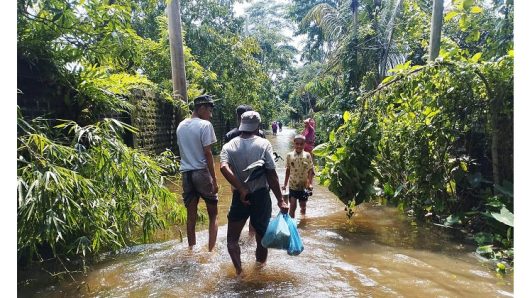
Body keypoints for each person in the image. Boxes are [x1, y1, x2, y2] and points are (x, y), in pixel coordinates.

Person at [220, 111, 289, 275]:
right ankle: (259, 272)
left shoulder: (229, 146)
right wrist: (281, 200)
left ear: (241, 124)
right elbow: (271, 174)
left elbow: (223, 167)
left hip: (239, 197)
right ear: (257, 125)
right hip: (261, 196)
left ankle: (239, 272)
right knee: (262, 238)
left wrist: (241, 188)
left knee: (232, 240)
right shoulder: (264, 144)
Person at [176, 94, 219, 252]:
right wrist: (214, 180)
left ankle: (191, 250)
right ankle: (211, 251)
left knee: (191, 215)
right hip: (201, 173)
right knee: (213, 213)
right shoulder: (205, 125)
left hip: (186, 174)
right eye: (209, 110)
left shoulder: (181, 126)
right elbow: (208, 153)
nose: (211, 115)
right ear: (201, 108)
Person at [282, 134, 314, 218]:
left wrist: (310, 183)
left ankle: (303, 219)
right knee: (292, 206)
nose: (299, 146)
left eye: (301, 144)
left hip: (304, 186)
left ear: (304, 144)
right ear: (294, 143)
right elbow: (288, 170)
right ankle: (292, 225)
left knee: (303, 206)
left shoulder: (307, 155)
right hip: (293, 185)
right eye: (297, 144)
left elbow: (311, 170)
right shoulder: (289, 155)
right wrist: (285, 184)